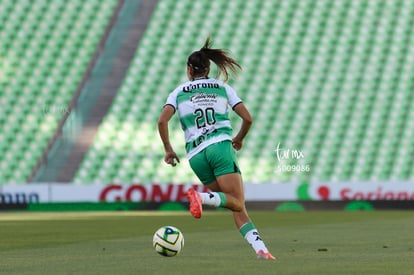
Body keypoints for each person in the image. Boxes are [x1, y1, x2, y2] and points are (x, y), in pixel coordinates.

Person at [157, 37, 275, 260]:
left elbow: (162, 121)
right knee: (237, 201)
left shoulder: (178, 92)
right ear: (208, 68)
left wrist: (168, 150)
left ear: (189, 70)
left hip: (195, 156)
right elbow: (248, 118)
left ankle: (261, 250)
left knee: (235, 205)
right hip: (220, 148)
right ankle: (201, 198)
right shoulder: (222, 88)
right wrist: (238, 139)